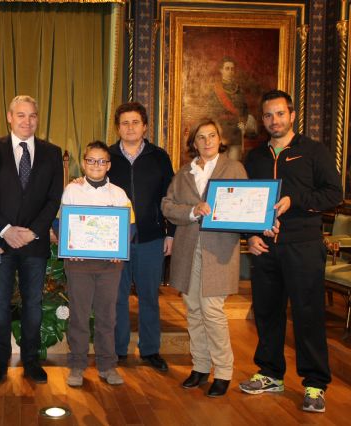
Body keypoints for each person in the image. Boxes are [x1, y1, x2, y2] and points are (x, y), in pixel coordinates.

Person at [239, 90, 342, 413]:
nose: (274, 121)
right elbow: (243, 203)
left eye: (280, 114)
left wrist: (295, 201)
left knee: (307, 314)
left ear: (292, 114)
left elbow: (333, 193)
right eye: (268, 115)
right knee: (267, 313)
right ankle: (270, 373)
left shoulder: (313, 151)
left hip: (304, 246)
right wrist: (250, 235)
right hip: (265, 248)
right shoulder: (254, 158)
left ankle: (314, 383)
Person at [0, 95, 63, 384]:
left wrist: (34, 231)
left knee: (33, 304)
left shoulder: (52, 153)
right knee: (0, 304)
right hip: (1, 242)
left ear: (38, 118)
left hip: (35, 243)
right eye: (21, 115)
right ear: (9, 117)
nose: (27, 121)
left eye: (33, 116)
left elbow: (53, 199)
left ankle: (30, 360)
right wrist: (5, 230)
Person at [161, 119, 247, 397]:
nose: (207, 141)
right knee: (194, 310)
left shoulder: (233, 168)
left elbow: (245, 205)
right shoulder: (184, 172)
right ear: (194, 143)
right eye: (201, 137)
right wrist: (192, 210)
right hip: (188, 248)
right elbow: (167, 205)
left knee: (212, 310)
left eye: (212, 136)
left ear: (220, 138)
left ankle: (223, 371)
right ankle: (200, 367)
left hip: (219, 250)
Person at [107, 102, 174, 372]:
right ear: (118, 127)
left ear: (145, 126)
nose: (130, 127)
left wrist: (171, 233)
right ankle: (119, 349)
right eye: (125, 123)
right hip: (116, 240)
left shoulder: (159, 157)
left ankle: (150, 350)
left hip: (151, 238)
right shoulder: (108, 156)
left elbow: (170, 197)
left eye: (135, 122)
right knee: (118, 297)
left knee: (148, 296)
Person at [62, 141, 133, 387]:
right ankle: (77, 365)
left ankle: (107, 365)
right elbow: (59, 224)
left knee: (107, 317)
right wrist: (70, 247)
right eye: (91, 160)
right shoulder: (72, 190)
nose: (96, 165)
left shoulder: (119, 193)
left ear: (109, 165)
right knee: (79, 317)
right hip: (79, 264)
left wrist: (120, 249)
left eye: (102, 161)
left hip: (109, 266)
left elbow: (129, 227)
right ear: (83, 163)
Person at [207, 57, 256, 161]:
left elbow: (245, 110)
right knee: (219, 166)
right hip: (220, 131)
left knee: (234, 165)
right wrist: (216, 129)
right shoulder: (215, 90)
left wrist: (243, 122)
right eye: (227, 68)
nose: (230, 71)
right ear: (221, 70)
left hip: (236, 131)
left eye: (232, 69)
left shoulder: (238, 90)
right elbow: (211, 113)